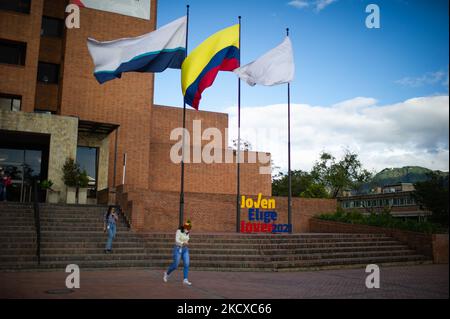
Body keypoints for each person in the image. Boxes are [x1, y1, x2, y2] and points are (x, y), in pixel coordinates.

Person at [163, 220, 192, 286]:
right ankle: (167, 273)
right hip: (178, 248)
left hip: (185, 249)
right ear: (184, 227)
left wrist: (186, 243)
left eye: (189, 229)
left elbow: (187, 240)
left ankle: (185, 279)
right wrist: (183, 243)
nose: (188, 230)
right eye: (187, 228)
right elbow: (176, 241)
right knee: (175, 265)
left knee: (187, 264)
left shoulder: (187, 233)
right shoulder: (178, 231)